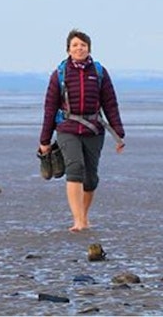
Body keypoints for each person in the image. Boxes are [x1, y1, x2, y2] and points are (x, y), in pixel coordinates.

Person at [38, 28, 126, 232]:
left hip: (94, 129)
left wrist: (119, 134)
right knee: (74, 168)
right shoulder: (59, 74)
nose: (79, 48)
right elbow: (50, 108)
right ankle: (77, 220)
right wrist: (45, 140)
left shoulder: (99, 72)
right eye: (75, 45)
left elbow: (110, 104)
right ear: (68, 49)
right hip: (67, 128)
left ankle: (84, 216)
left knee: (91, 177)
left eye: (83, 45)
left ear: (89, 49)